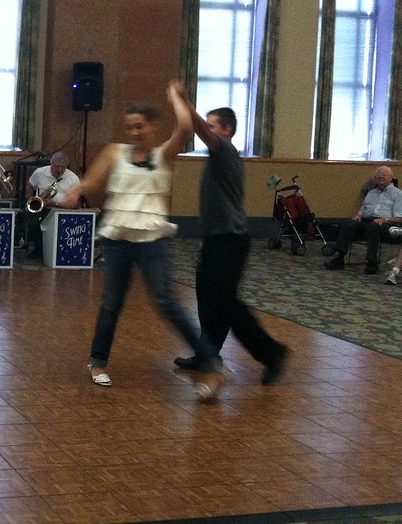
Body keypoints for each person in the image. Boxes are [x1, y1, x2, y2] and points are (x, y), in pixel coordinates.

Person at [59, 82, 223, 401]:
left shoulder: (164, 155)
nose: (134, 132)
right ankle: (97, 362)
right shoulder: (114, 152)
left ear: (152, 126)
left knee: (167, 303)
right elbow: (93, 180)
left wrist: (177, 98)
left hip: (152, 239)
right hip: (119, 237)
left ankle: (213, 365)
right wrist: (77, 190)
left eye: (140, 126)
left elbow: (186, 126)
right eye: (130, 127)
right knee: (111, 303)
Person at [168, 84, 289, 385]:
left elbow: (199, 129)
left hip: (230, 240)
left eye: (212, 126)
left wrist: (182, 100)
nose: (206, 132)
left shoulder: (225, 150)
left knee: (225, 302)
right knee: (208, 297)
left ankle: (272, 352)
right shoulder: (219, 157)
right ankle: (207, 353)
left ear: (227, 130)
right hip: (218, 239)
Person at [324, 166, 402, 275]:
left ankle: (372, 262)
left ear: (391, 177)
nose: (381, 176)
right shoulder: (371, 193)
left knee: (373, 226)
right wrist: (357, 216)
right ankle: (339, 258)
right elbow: (361, 211)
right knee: (348, 223)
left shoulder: (398, 194)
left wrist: (384, 219)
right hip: (366, 220)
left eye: (384, 174)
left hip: (386, 224)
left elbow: (399, 218)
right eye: (379, 174)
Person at [23, 151, 80, 259]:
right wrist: (31, 198)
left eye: (62, 167)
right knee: (33, 223)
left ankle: (57, 251)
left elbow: (73, 203)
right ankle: (40, 249)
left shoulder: (74, 178)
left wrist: (55, 203)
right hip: (43, 208)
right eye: (56, 166)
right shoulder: (40, 172)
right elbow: (30, 185)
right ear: (51, 164)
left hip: (63, 210)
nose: (59, 169)